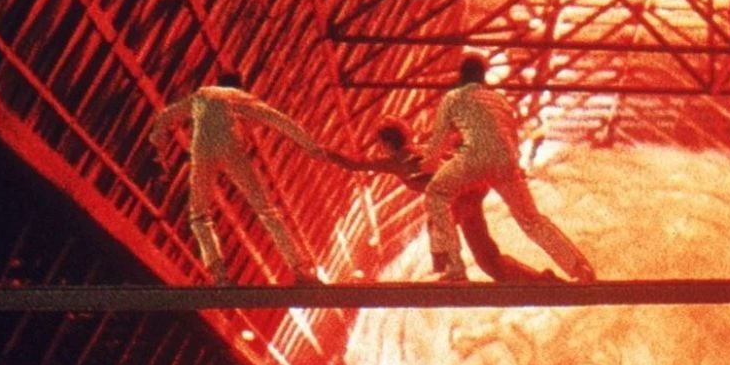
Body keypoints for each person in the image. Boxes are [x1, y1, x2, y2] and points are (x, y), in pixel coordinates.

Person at [421, 56, 596, 282]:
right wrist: (515, 168)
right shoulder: (499, 100)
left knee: (436, 195)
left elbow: (438, 140)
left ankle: (454, 267)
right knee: (532, 220)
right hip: (506, 161)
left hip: (475, 157)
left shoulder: (452, 98)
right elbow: (512, 136)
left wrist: (429, 163)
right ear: (483, 76)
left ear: (461, 75)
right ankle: (579, 268)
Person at [324, 118, 557, 282]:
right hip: (470, 192)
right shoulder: (426, 150)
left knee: (436, 224)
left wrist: (322, 151)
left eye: (381, 146)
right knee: (488, 260)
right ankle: (541, 280)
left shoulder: (395, 161)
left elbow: (353, 164)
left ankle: (452, 271)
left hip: (458, 196)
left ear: (386, 145)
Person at [149, 71, 322, 285]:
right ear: (239, 86)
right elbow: (280, 120)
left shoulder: (200, 95)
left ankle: (219, 276)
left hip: (201, 154)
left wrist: (159, 142)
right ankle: (300, 270)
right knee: (267, 211)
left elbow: (165, 115)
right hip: (232, 151)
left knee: (199, 215)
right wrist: (311, 147)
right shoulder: (240, 98)